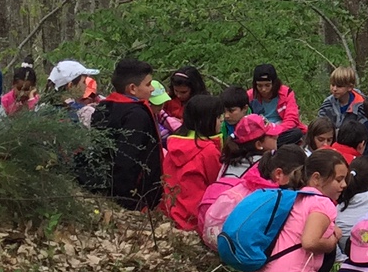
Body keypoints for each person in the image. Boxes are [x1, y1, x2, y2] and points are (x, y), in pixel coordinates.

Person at [248, 148, 344, 272]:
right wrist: (333, 240)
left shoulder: (294, 195)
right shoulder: (323, 204)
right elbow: (309, 242)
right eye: (339, 179)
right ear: (316, 178)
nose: (344, 185)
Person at [199, 114, 281, 249]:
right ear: (259, 144)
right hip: (235, 231)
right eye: (272, 137)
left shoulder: (228, 160)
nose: (277, 137)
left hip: (212, 223)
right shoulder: (263, 167)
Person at [92, 59, 163, 211]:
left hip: (106, 190)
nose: (151, 89)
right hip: (135, 200)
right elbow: (128, 160)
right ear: (132, 88)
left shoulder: (103, 108)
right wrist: (134, 201)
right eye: (148, 84)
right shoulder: (137, 116)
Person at [161, 92, 226, 233]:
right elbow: (216, 183)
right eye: (218, 116)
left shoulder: (174, 143)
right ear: (207, 120)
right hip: (196, 218)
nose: (222, 120)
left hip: (171, 212)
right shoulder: (208, 150)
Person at [247, 64, 301, 129]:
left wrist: (275, 130)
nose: (263, 89)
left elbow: (291, 119)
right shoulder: (249, 96)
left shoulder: (286, 93)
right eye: (260, 86)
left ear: (274, 84)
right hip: (259, 130)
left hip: (282, 129)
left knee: (296, 133)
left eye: (267, 85)